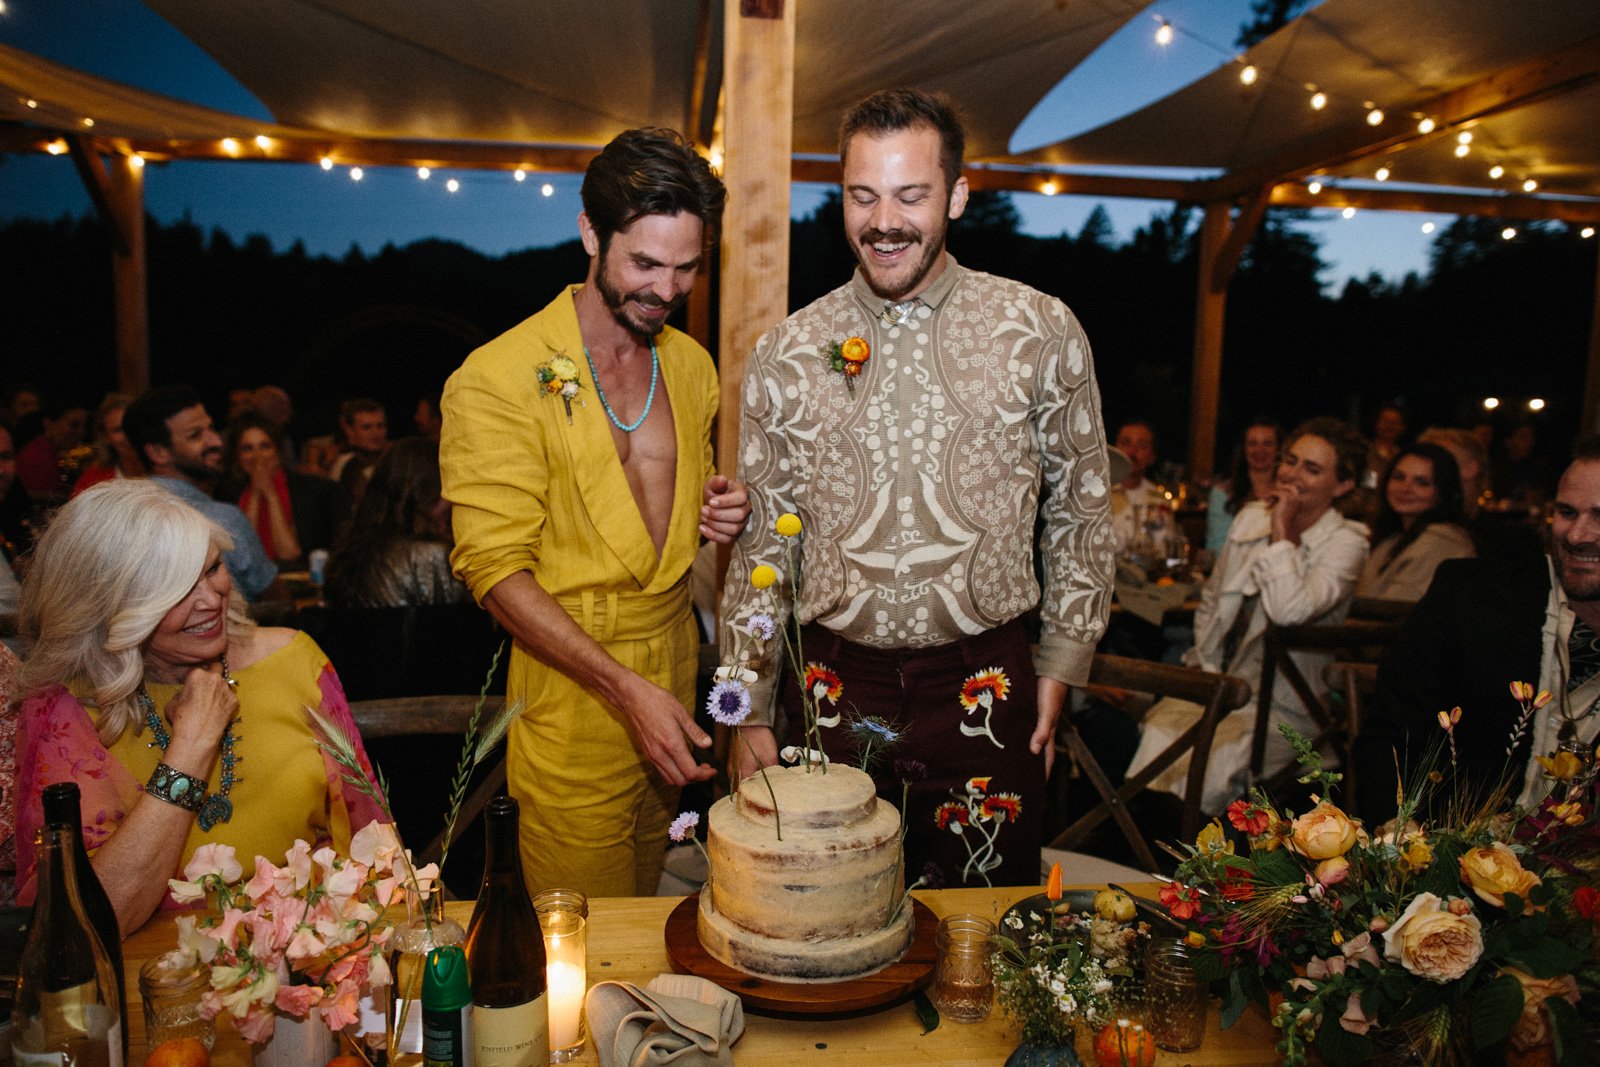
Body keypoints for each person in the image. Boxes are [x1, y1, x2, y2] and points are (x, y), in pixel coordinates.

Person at [720, 89, 1114, 889]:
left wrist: (1065, 658)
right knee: (827, 930)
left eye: (911, 194)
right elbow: (765, 546)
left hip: (986, 689)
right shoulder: (789, 351)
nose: (884, 221)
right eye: (863, 196)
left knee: (985, 934)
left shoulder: (1039, 329)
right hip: (832, 688)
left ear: (957, 195)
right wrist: (748, 701)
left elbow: (1080, 506)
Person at [440, 127, 749, 898]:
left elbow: (676, 511)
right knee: (581, 933)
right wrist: (622, 689)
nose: (666, 290)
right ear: (589, 232)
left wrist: (720, 509)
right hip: (574, 692)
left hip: (677, 666)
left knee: (650, 906)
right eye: (644, 263)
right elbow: (493, 567)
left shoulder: (690, 363)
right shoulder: (498, 376)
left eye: (686, 268)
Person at [11, 481, 388, 933]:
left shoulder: (293, 660)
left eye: (211, 569)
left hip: (308, 966)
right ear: (110, 606)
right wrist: (190, 747)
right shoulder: (64, 708)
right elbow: (88, 920)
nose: (210, 599)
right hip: (149, 983)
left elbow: (373, 841)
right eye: (175, 589)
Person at [1124, 417, 1370, 814]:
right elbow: (1212, 599)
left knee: (1212, 758)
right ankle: (1155, 853)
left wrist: (1282, 531)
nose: (1293, 473)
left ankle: (1196, 857)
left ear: (1342, 485)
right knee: (1159, 734)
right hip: (1220, 686)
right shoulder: (1251, 516)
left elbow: (1288, 611)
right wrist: (1205, 666)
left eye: (1312, 468)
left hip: (1284, 708)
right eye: (1291, 461)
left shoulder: (1347, 543)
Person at [1355, 439, 1600, 823]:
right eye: (1567, 512)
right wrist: (1398, 847)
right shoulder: (1471, 598)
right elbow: (1392, 735)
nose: (1577, 535)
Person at [123, 385, 282, 603]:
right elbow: (276, 600)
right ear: (158, 452)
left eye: (211, 429)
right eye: (196, 435)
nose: (217, 441)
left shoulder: (122, 516)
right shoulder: (222, 520)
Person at [326, 438, 468, 609]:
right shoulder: (430, 555)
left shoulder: (352, 547)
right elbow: (458, 628)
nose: (453, 498)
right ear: (429, 491)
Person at [1355, 442, 1474, 603]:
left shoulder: (1441, 542)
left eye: (1422, 483)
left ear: (1442, 492)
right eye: (1399, 477)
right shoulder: (1395, 538)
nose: (1405, 488)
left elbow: (1393, 611)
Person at [221, 413, 341, 569]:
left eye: (264, 446)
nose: (257, 456)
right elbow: (241, 554)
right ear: (237, 457)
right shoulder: (226, 492)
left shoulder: (312, 489)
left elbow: (289, 553)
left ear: (278, 452)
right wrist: (256, 494)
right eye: (247, 448)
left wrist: (271, 495)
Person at [1206, 420, 1282, 554]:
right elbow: (1217, 546)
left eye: (1268, 444)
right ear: (1243, 449)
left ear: (1279, 449)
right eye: (1253, 444)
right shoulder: (1223, 492)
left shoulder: (1287, 492)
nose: (1260, 450)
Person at [1109, 420, 1175, 557]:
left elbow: (1164, 549)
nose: (1132, 452)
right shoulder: (1097, 494)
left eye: (1142, 446)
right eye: (1126, 443)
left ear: (1152, 457)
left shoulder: (1159, 499)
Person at [14, 395, 88, 505]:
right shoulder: (35, 457)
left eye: (83, 426)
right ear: (48, 424)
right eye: (74, 425)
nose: (81, 432)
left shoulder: (61, 455)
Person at [71, 393, 143, 496]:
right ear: (106, 437)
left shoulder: (169, 474)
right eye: (118, 430)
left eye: (133, 426)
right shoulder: (92, 481)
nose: (128, 435)